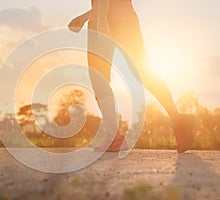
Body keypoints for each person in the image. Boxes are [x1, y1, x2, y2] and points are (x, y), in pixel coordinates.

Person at [68, 0, 195, 153]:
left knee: (98, 76)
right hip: (127, 20)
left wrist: (101, 21)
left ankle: (114, 137)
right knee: (142, 71)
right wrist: (85, 16)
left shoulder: (102, 21)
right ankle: (178, 119)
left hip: (104, 21)